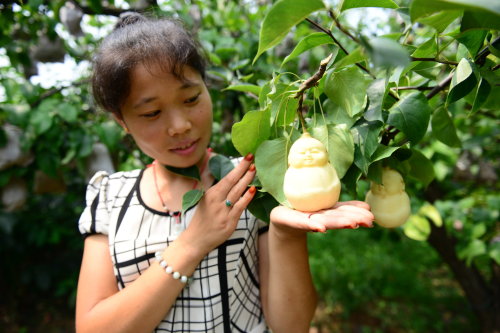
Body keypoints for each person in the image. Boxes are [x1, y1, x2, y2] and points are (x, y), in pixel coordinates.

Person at [75, 12, 374, 333]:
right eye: (152, 112)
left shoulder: (252, 181)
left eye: (191, 99)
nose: (180, 125)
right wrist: (192, 243)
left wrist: (287, 235)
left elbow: (291, 326)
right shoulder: (110, 197)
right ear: (121, 120)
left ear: (206, 87)